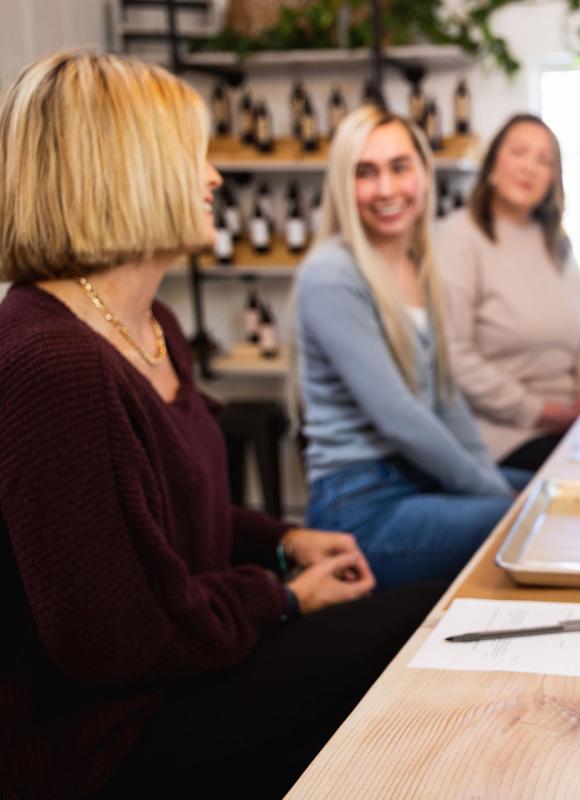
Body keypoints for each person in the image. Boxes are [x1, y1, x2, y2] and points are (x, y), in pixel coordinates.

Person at [0, 51, 444, 798]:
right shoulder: (51, 364)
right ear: (121, 173)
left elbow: (178, 507)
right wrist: (285, 597)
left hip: (187, 669)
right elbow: (114, 643)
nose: (214, 177)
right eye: (192, 157)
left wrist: (283, 542)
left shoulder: (154, 323)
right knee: (418, 621)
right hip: (114, 739)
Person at [297, 104, 526, 590]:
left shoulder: (421, 265)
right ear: (343, 184)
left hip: (416, 481)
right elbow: (398, 416)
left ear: (423, 172)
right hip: (361, 506)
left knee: (551, 496)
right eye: (366, 173)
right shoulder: (331, 274)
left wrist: (492, 482)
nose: (386, 190)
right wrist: (497, 496)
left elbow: (446, 397)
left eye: (400, 167)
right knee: (530, 521)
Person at [438, 113, 580, 471]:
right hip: (505, 437)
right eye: (519, 152)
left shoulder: (556, 242)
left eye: (544, 160)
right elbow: (454, 355)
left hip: (573, 426)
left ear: (552, 179)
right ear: (493, 164)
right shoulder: (458, 238)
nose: (530, 167)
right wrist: (543, 412)